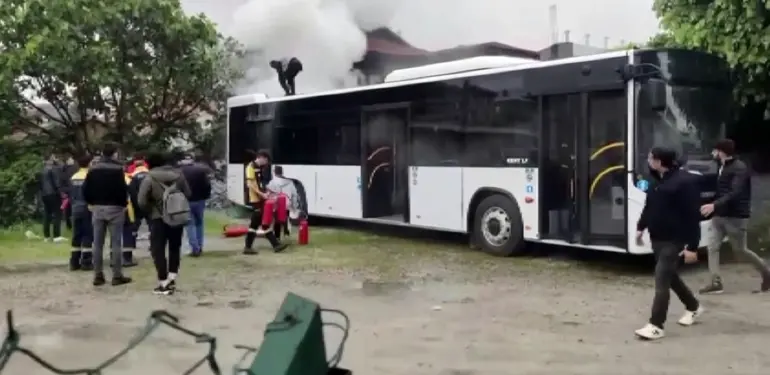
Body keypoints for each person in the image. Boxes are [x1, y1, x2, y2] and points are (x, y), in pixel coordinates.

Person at [634, 147, 703, 340]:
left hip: (675, 240)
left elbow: (692, 216)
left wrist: (692, 246)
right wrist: (640, 227)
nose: (648, 161)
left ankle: (656, 325)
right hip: (657, 238)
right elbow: (649, 206)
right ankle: (694, 306)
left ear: (659, 161)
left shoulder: (683, 182)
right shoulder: (656, 180)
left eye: (650, 158)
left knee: (661, 279)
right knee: (670, 276)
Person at [699, 139, 770, 294]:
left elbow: (735, 192)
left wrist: (714, 205)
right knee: (712, 247)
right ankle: (716, 282)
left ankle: (766, 272)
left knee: (741, 250)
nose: (713, 153)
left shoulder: (740, 168)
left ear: (722, 152)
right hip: (719, 215)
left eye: (715, 150)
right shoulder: (722, 165)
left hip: (735, 216)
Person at [137, 152, 192, 295]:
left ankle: (163, 281)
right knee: (175, 247)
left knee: (158, 250)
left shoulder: (149, 178)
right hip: (176, 216)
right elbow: (188, 194)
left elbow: (142, 201)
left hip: (157, 218)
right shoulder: (179, 176)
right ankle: (172, 277)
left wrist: (150, 211)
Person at [83, 142, 132, 286]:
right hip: (115, 208)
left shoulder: (93, 169)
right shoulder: (118, 170)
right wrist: (123, 205)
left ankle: (98, 275)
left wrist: (91, 202)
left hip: (98, 208)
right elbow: (122, 190)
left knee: (97, 244)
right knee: (116, 243)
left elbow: (85, 189)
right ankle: (117, 275)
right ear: (114, 153)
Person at [243, 150, 287, 254]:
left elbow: (259, 184)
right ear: (261, 157)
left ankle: (274, 245)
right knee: (259, 223)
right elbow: (250, 184)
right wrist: (261, 194)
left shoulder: (258, 168)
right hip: (254, 199)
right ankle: (274, 245)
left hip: (260, 198)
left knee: (261, 222)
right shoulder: (250, 167)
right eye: (266, 160)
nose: (266, 163)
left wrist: (267, 191)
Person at [180, 153, 212, 257]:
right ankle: (200, 245)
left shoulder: (179, 172)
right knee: (199, 223)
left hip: (186, 201)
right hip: (200, 201)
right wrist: (206, 196)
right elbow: (207, 185)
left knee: (190, 224)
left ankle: (194, 248)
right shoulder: (200, 170)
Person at [67, 155, 94, 271]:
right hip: (87, 208)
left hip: (75, 208)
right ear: (89, 164)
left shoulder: (73, 177)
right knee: (87, 234)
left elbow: (70, 194)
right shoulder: (90, 176)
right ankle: (86, 262)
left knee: (76, 235)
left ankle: (74, 262)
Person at [265, 165, 300, 238]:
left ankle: (277, 236)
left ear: (274, 172)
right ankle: (286, 232)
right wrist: (294, 206)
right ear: (282, 172)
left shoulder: (272, 182)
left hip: (277, 204)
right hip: (287, 204)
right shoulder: (290, 182)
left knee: (277, 220)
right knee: (286, 217)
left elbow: (269, 194)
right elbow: (294, 195)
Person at [39, 153, 66, 242]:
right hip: (53, 194)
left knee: (47, 215)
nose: (54, 160)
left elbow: (40, 185)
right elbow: (56, 182)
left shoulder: (41, 171)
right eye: (52, 158)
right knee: (57, 214)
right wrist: (61, 192)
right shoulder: (53, 169)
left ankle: (46, 236)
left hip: (44, 194)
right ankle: (56, 236)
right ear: (49, 160)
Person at [128, 160, 151, 241]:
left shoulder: (133, 176)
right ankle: (153, 237)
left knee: (136, 221)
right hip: (149, 202)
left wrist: (135, 202)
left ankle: (133, 237)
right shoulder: (150, 174)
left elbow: (132, 191)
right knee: (151, 221)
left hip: (138, 203)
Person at [61, 156, 78, 231]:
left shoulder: (63, 169)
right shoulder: (74, 168)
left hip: (67, 192)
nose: (72, 160)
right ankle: (73, 225)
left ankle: (69, 225)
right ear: (67, 161)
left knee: (68, 210)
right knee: (72, 209)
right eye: (71, 159)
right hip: (73, 191)